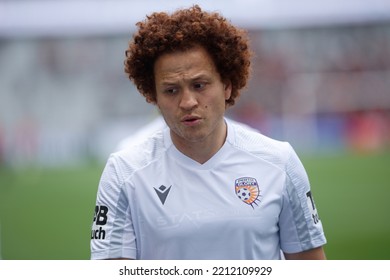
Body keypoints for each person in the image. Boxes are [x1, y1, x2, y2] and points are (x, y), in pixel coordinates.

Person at [90, 5, 327, 260]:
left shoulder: (279, 162)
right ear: (153, 96)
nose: (188, 101)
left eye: (199, 85)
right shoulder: (124, 172)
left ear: (227, 86)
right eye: (171, 90)